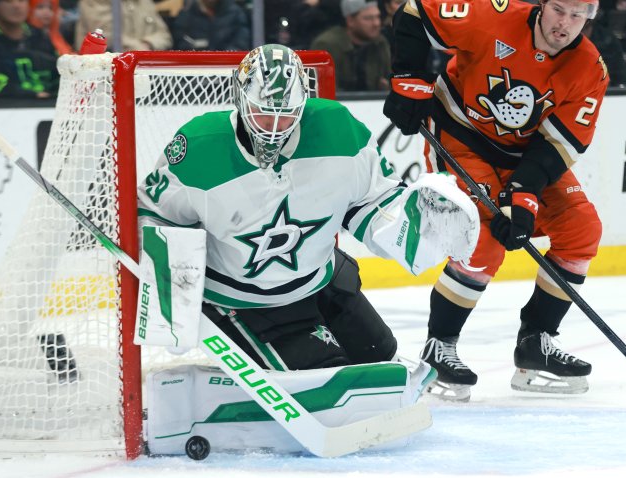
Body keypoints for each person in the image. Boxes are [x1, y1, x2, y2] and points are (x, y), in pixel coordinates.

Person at [138, 44, 480, 381]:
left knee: (384, 363)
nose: (273, 126)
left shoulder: (339, 131)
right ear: (241, 98)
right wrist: (172, 304)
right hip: (239, 301)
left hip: (321, 283)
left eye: (286, 113)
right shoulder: (199, 147)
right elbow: (155, 218)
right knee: (327, 377)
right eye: (262, 111)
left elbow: (370, 205)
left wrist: (411, 224)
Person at [383, 0, 608, 402]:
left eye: (579, 15)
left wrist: (521, 198)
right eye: (560, 10)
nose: (566, 23)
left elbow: (556, 147)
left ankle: (536, 343)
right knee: (484, 238)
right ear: (543, 4)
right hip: (461, 136)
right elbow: (416, 12)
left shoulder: (591, 69)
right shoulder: (494, 15)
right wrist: (409, 82)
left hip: (523, 156)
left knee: (581, 228)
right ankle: (440, 346)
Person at [310, 0, 391, 91]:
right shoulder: (327, 45)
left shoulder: (380, 43)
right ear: (350, 21)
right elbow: (323, 90)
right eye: (368, 18)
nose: (376, 23)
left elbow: (389, 77)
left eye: (377, 17)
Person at [0, 0, 59, 99]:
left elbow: (58, 74)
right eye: (8, 1)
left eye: (21, 0)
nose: (16, 6)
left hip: (47, 106)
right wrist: (32, 95)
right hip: (3, 107)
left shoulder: (40, 36)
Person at [75, 0, 171, 52]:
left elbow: (165, 36)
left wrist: (148, 43)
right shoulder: (95, 2)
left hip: (144, 69)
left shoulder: (145, 2)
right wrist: (138, 49)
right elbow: (102, 36)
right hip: (103, 72)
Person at [172, 0, 249, 51]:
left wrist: (221, 59)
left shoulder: (235, 13)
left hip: (227, 68)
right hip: (195, 68)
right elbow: (180, 42)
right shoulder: (186, 14)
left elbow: (241, 43)